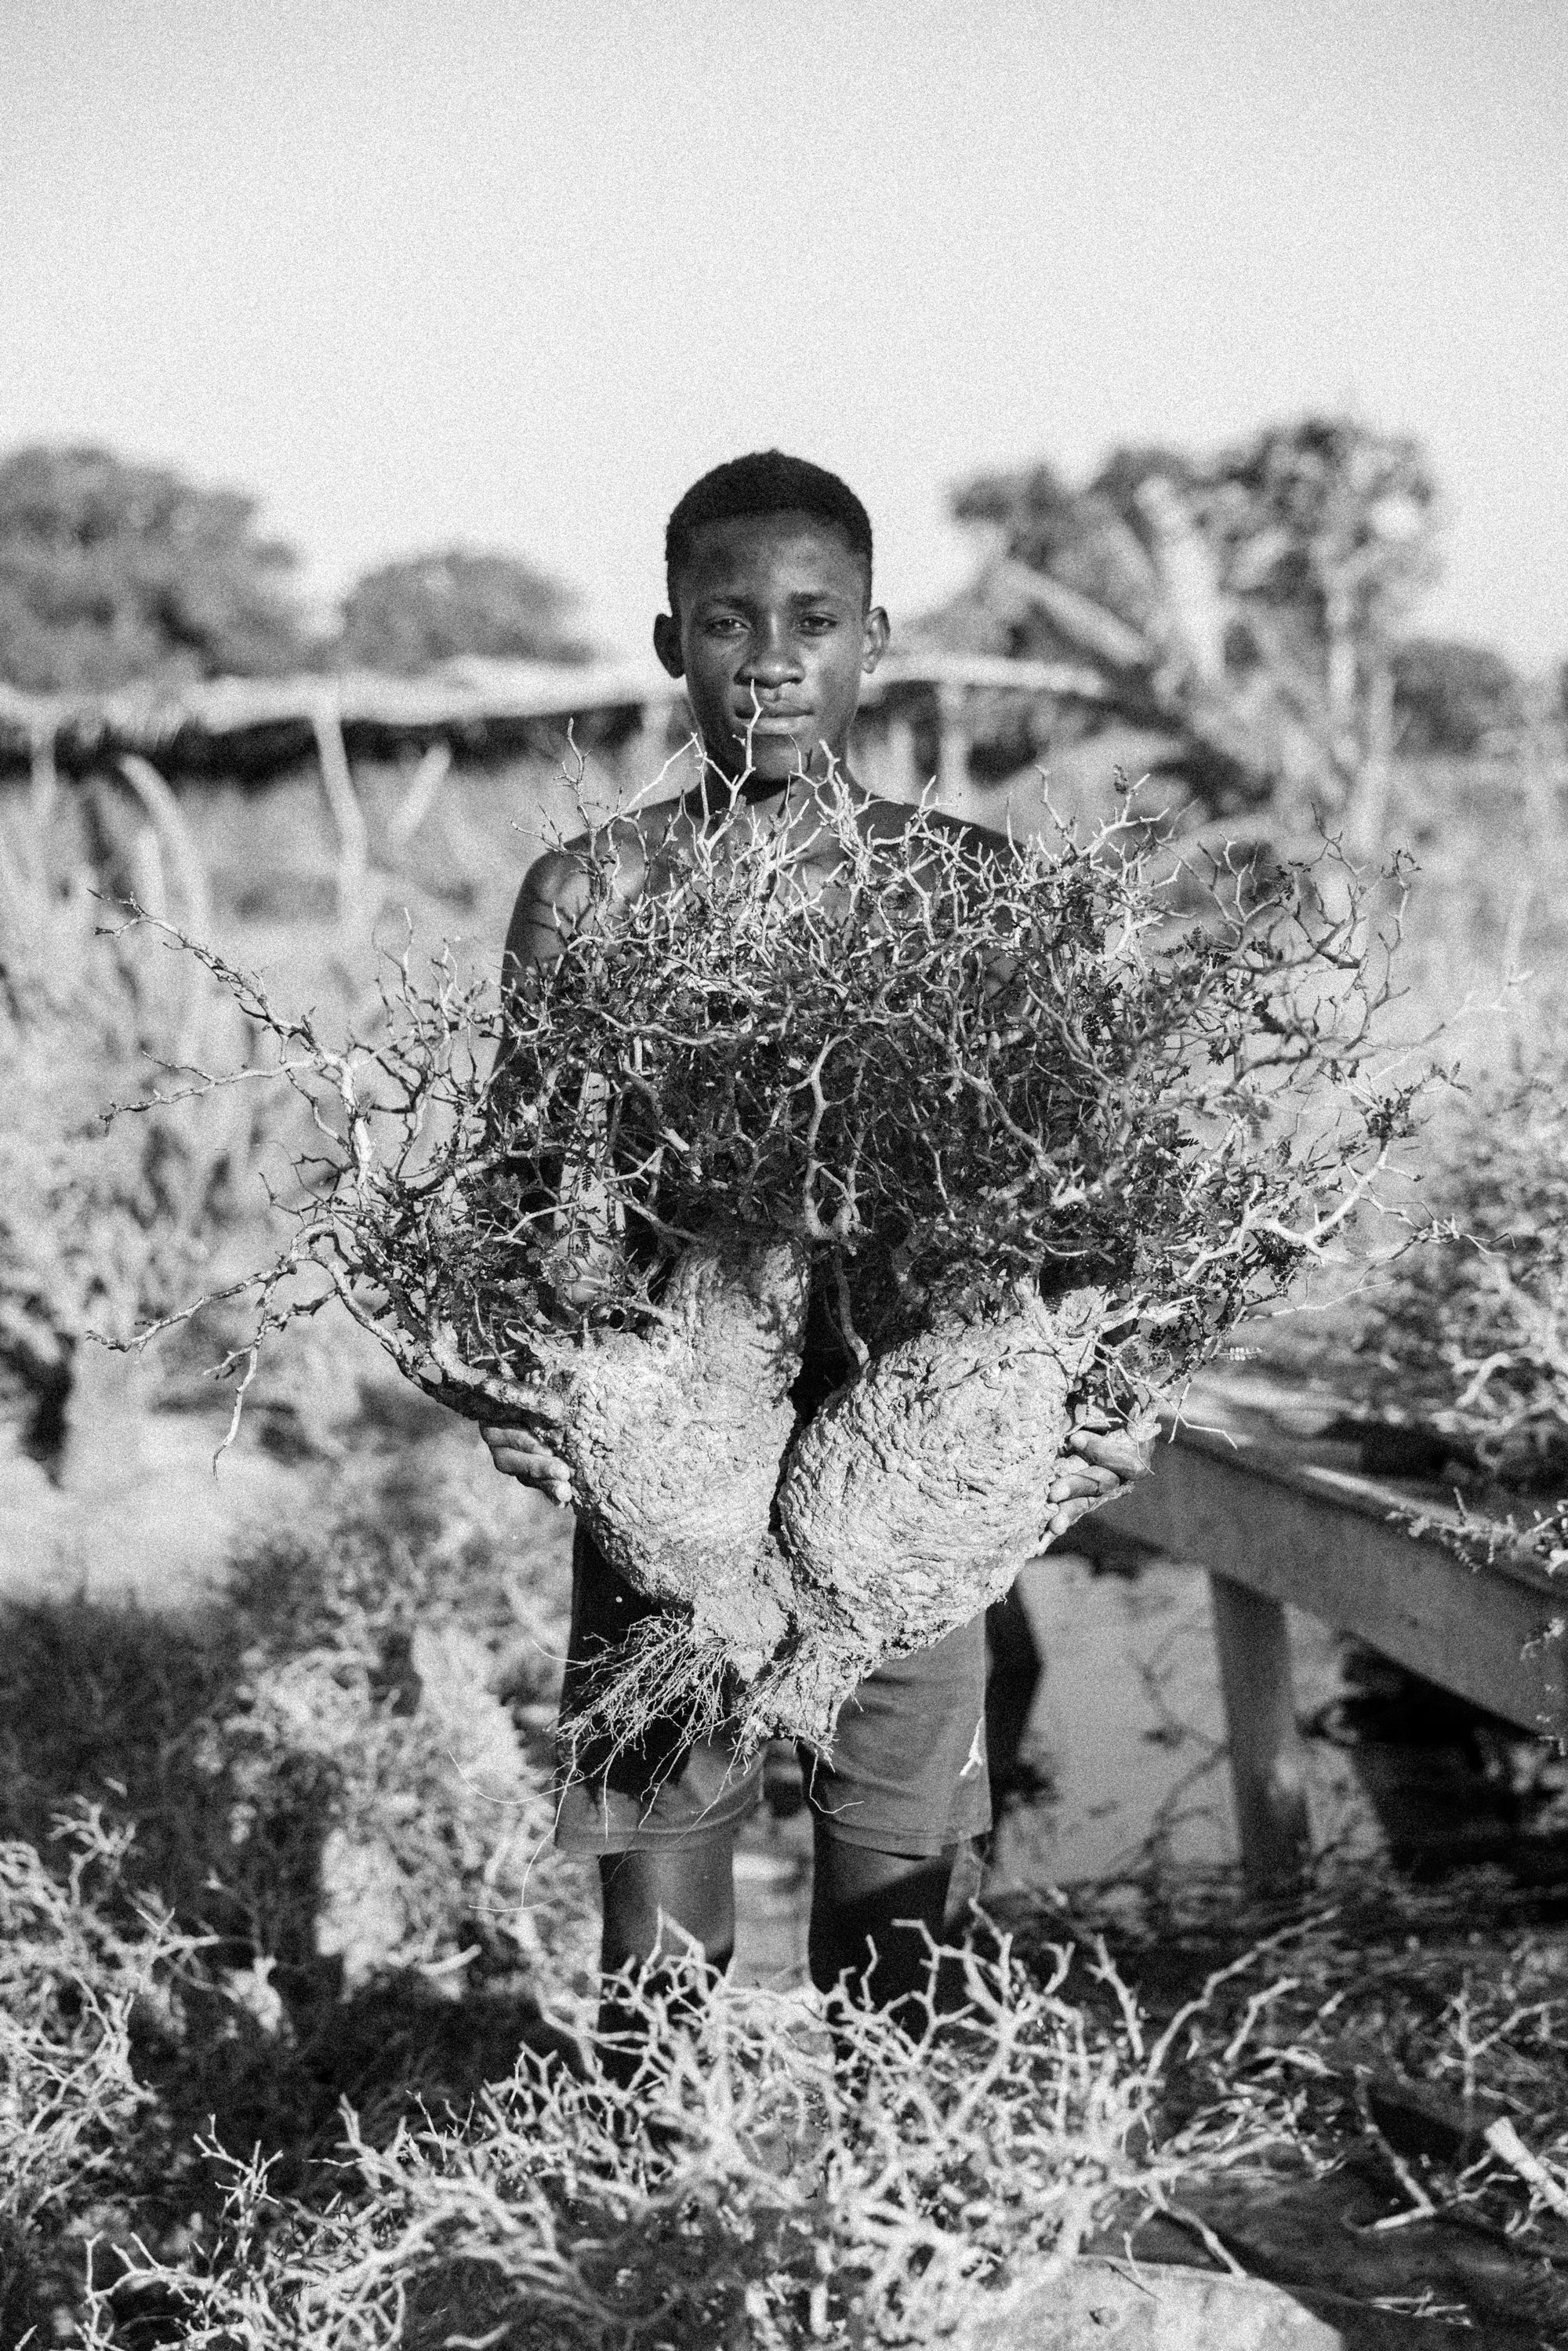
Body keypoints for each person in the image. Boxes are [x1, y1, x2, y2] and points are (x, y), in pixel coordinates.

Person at [481, 452, 1145, 2041]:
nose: (769, 658)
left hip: (900, 1473)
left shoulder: (966, 887)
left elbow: (1067, 1201)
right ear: (668, 643)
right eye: (726, 619)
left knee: (896, 1910)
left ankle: (877, 2254)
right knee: (656, 1917)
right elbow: (514, 1208)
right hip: (679, 1486)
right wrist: (524, 1396)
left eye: (811, 619)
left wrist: (1089, 1401)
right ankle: (658, 2245)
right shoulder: (594, 894)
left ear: (874, 638)